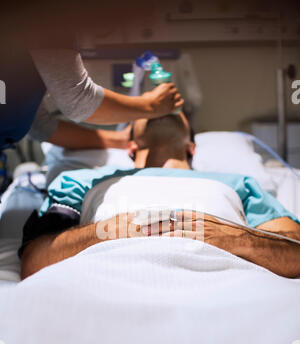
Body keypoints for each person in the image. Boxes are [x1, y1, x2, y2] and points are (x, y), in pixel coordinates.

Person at [20, 113, 300, 279]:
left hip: (226, 286)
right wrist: (107, 231)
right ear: (130, 148)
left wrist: (234, 237)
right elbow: (35, 261)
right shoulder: (79, 180)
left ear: (192, 148)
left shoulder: (241, 184)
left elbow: (294, 254)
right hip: (107, 282)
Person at [0, 44, 183, 191]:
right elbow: (79, 101)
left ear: (192, 148)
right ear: (132, 148)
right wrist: (151, 106)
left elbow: (37, 124)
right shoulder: (83, 186)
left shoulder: (213, 183)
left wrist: (121, 137)